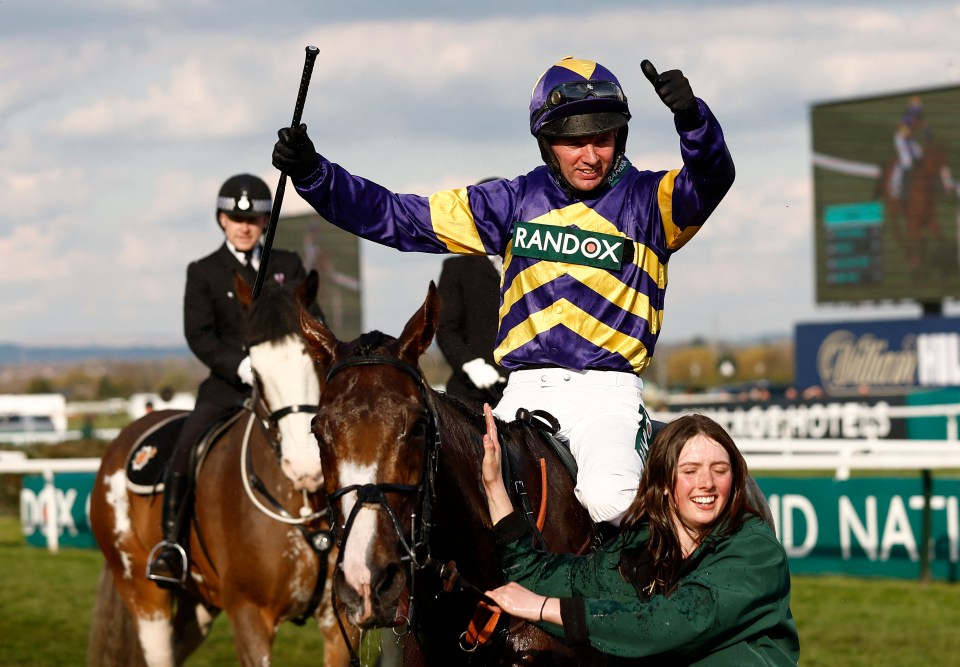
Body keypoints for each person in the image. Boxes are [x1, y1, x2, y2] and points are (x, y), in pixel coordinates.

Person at [272, 56, 735, 526]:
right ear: (545, 143)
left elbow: (713, 179)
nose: (590, 156)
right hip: (523, 395)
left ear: (620, 138)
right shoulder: (512, 201)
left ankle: (647, 599)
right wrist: (314, 174)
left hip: (607, 399)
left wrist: (693, 120)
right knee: (454, 508)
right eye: (573, 142)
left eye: (603, 139)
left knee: (608, 498)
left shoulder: (653, 201)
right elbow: (398, 216)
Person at [481, 409, 800, 665]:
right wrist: (495, 486)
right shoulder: (641, 546)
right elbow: (536, 575)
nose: (707, 483)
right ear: (663, 481)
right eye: (690, 471)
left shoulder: (754, 548)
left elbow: (671, 624)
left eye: (720, 469)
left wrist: (543, 608)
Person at [147, 173, 320, 587]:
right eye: (235, 218)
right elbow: (199, 335)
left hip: (291, 390)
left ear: (265, 223)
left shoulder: (288, 266)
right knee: (186, 449)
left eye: (255, 219)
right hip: (228, 386)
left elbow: (314, 322)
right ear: (221, 220)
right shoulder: (204, 272)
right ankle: (171, 546)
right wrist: (240, 366)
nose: (244, 226)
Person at [436, 182, 509, 408]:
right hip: (471, 397)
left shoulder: (534, 265)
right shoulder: (457, 269)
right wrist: (470, 365)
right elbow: (446, 330)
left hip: (527, 392)